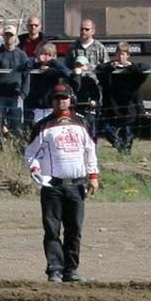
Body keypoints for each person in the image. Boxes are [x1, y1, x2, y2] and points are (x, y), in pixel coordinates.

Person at [26, 86, 100, 282]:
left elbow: (90, 150)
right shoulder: (43, 125)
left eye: (64, 98)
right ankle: (55, 269)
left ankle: (71, 269)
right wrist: (36, 171)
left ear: (71, 99)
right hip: (52, 186)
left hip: (76, 184)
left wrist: (93, 175)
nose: (61, 101)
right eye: (57, 98)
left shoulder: (82, 123)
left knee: (74, 229)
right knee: (52, 229)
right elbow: (31, 153)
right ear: (52, 101)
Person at [97, 41, 147, 153]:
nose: (120, 57)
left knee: (128, 133)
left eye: (123, 54)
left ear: (128, 55)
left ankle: (125, 153)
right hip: (112, 107)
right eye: (118, 54)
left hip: (129, 107)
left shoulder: (133, 71)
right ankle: (119, 145)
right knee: (106, 129)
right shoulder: (109, 69)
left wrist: (131, 66)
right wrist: (111, 67)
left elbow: (145, 69)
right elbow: (99, 70)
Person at [0, 25, 30, 149]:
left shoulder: (21, 55)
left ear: (15, 37)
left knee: (16, 124)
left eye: (12, 35)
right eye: (7, 35)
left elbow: (27, 74)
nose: (9, 38)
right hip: (0, 95)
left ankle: (18, 148)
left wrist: (24, 93)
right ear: (3, 36)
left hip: (16, 95)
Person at [25, 43, 72, 132]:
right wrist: (36, 60)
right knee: (38, 129)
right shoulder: (35, 64)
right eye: (44, 54)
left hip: (51, 104)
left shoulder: (55, 66)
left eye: (49, 55)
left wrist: (52, 65)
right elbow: (23, 66)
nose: (46, 57)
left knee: (52, 128)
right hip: (37, 105)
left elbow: (67, 73)